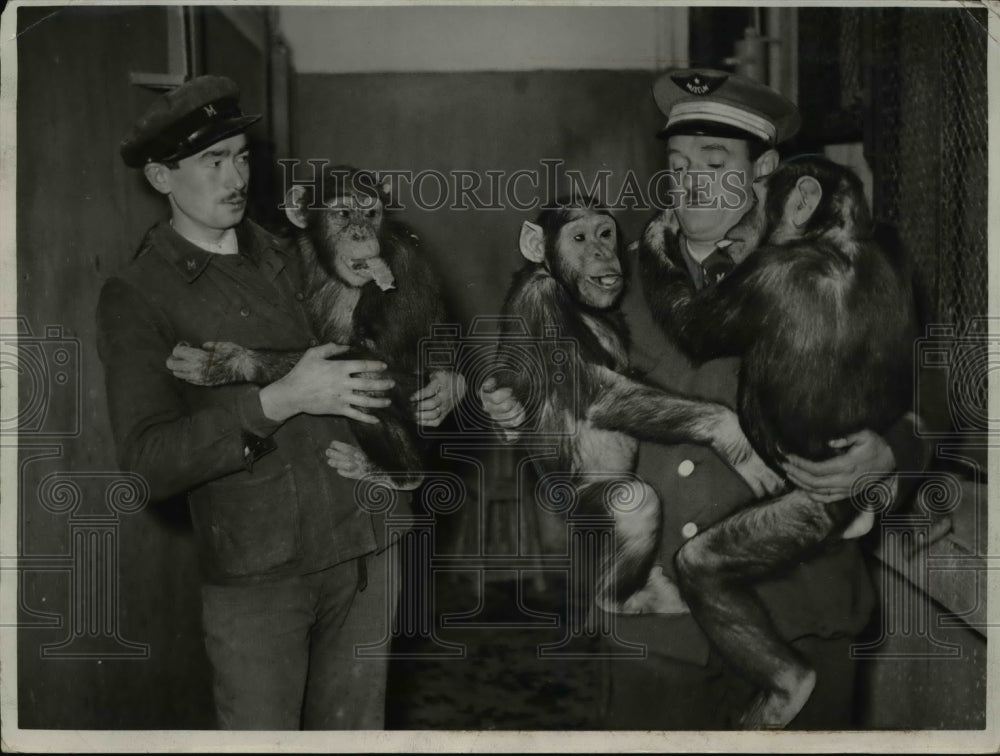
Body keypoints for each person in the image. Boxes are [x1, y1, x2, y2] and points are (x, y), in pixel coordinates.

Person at [482, 69, 926, 729]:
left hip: (800, 613)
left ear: (764, 170)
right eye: (678, 163)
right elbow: (564, 444)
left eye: (714, 164)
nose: (689, 182)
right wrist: (517, 423)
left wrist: (888, 454)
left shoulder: (840, 273)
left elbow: (932, 404)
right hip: (659, 629)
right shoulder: (609, 281)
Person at [97, 75, 464, 730]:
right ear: (160, 176)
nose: (235, 176)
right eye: (213, 161)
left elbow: (399, 326)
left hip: (367, 548)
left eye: (241, 155)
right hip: (262, 579)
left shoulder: (293, 247)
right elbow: (148, 463)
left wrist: (444, 376)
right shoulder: (138, 294)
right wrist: (277, 401)